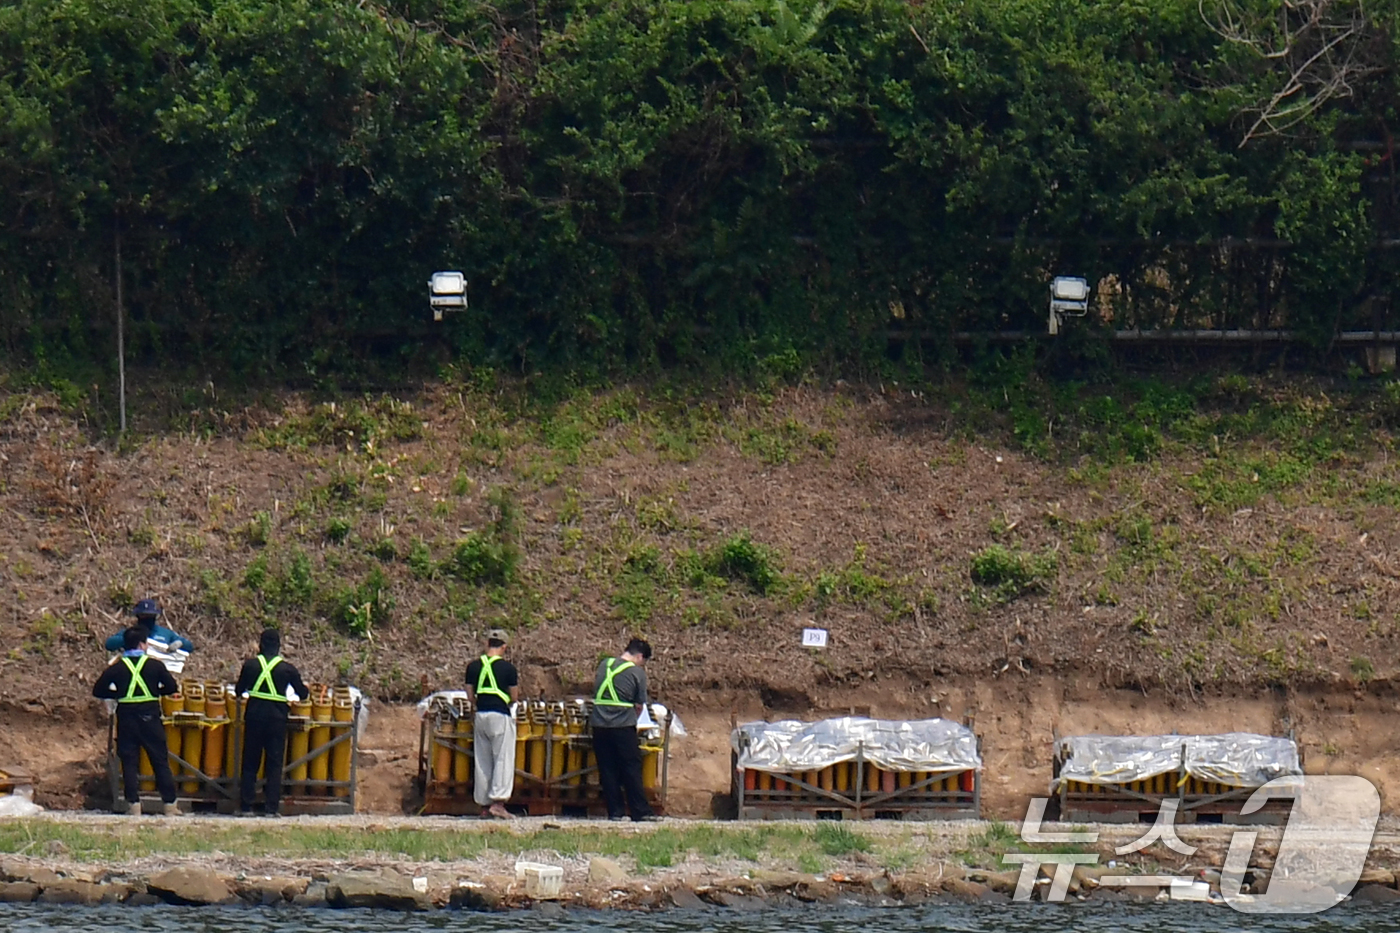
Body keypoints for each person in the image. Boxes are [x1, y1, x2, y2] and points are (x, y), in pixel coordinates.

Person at [91, 626, 182, 816]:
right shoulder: (155, 665)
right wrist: (154, 692)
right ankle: (170, 805)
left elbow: (98, 690)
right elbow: (172, 687)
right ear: (142, 644)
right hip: (150, 715)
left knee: (130, 762)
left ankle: (133, 805)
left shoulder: (116, 668)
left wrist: (117, 694)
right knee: (159, 760)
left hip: (126, 716)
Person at [234, 628, 310, 817]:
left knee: (250, 761)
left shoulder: (250, 666)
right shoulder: (287, 669)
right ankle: (271, 808)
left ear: (260, 645)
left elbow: (238, 690)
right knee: (274, 764)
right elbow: (303, 693)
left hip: (254, 716)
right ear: (278, 647)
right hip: (277, 719)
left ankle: (246, 807)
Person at [589, 637, 659, 822]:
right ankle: (640, 811)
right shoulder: (637, 673)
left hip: (598, 724)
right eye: (644, 662)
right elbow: (639, 705)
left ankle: (615, 812)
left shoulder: (605, 664)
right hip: (622, 726)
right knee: (631, 767)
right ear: (640, 657)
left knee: (607, 768)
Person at [464, 628, 520, 819]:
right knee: (502, 759)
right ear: (504, 647)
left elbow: (470, 696)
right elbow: (514, 696)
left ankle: (484, 806)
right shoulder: (508, 669)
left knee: (482, 760)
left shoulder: (472, 667)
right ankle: (498, 802)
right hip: (499, 715)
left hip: (481, 715)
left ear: (487, 644)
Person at [103, 598, 194, 653]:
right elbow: (109, 644)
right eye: (143, 615)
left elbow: (189, 646)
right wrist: (130, 639)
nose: (147, 618)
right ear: (138, 616)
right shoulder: (131, 632)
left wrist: (180, 644)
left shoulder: (165, 633)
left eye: (150, 616)